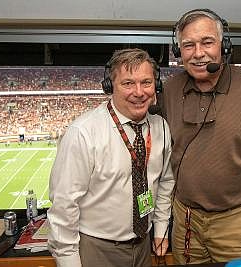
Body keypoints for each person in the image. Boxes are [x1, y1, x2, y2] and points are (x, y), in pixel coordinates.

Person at [162, 9, 241, 264]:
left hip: (237, 222)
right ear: (178, 51)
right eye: (188, 45)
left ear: (224, 46)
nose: (198, 53)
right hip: (185, 219)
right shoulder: (170, 90)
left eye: (207, 42)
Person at [48, 48, 175, 267]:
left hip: (144, 245)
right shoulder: (84, 132)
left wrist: (161, 227)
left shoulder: (160, 127)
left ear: (157, 86)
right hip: (97, 249)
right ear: (110, 86)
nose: (139, 92)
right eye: (128, 83)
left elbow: (165, 182)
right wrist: (68, 261)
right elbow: (64, 205)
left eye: (146, 82)